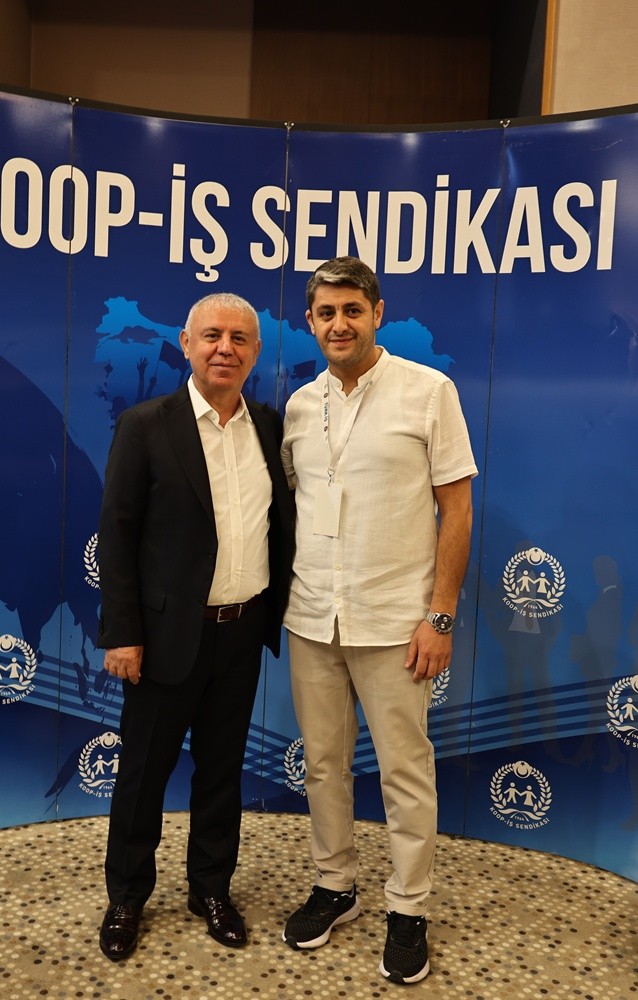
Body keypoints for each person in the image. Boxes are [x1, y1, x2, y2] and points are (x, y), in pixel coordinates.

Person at [280, 257, 477, 985]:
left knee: (404, 771)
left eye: (352, 310)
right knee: (323, 763)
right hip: (313, 619)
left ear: (377, 313)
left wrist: (440, 615)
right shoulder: (300, 407)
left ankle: (408, 907)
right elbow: (300, 505)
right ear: (311, 322)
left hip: (397, 622)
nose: (340, 324)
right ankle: (336, 886)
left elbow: (457, 510)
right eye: (326, 313)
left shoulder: (429, 392)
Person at [97, 292, 295, 961]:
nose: (224, 349)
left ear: (255, 353)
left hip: (242, 633)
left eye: (239, 339)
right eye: (212, 335)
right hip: (163, 640)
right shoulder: (145, 426)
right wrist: (123, 633)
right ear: (186, 344)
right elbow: (117, 536)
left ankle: (211, 889)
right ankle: (127, 897)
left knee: (221, 773)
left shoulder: (268, 426)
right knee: (143, 775)